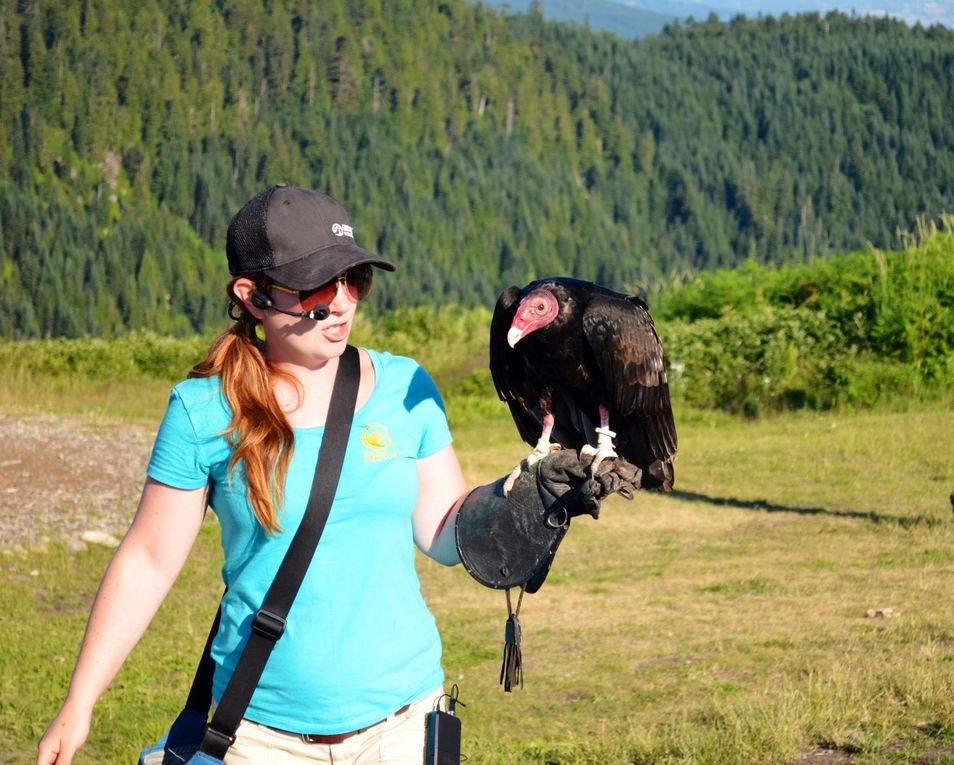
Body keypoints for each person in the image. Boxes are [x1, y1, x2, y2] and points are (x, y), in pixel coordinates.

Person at [37, 184, 635, 765]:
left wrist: (531, 498)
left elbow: (445, 530)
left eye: (354, 278)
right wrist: (79, 701)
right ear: (253, 296)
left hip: (404, 724)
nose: (343, 301)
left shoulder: (406, 387)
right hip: (257, 736)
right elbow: (147, 561)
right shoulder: (204, 411)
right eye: (316, 285)